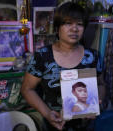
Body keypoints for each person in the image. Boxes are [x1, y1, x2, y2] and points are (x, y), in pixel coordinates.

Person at [21, 2, 104, 131]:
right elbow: (27, 89)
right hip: (53, 125)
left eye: (80, 24)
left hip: (86, 126)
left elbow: (100, 84)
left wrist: (96, 104)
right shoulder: (42, 56)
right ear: (57, 27)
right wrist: (47, 113)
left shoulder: (93, 56)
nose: (74, 29)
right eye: (68, 23)